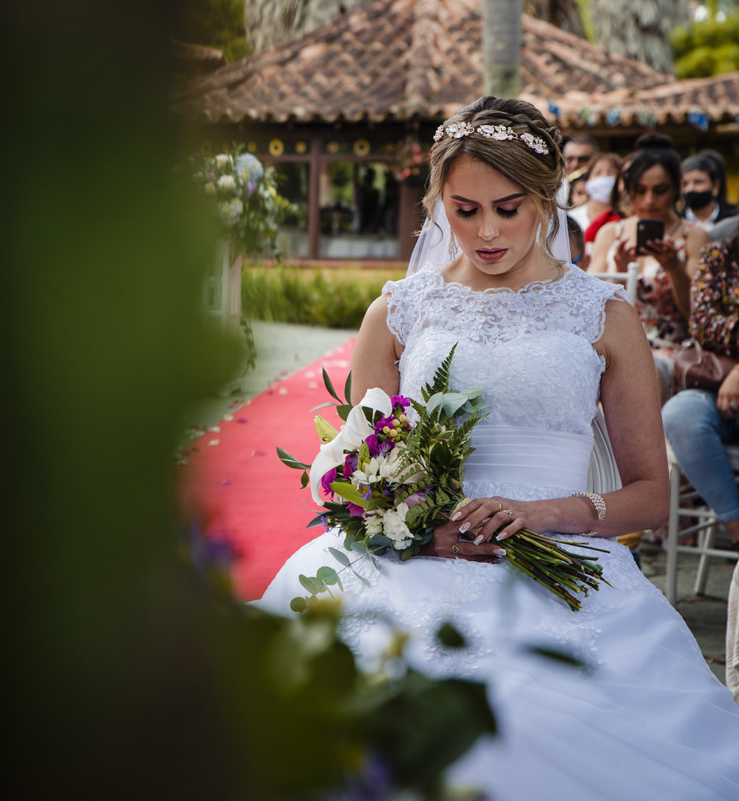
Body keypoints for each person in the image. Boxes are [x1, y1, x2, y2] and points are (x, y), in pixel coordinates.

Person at [255, 96, 739, 800]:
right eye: (464, 208)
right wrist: (420, 530)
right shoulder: (397, 311)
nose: (485, 231)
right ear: (436, 202)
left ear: (548, 199)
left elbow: (649, 494)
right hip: (416, 556)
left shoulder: (603, 314)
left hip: (562, 560)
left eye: (508, 208)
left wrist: (540, 514)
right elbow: (353, 470)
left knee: (537, 725)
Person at [592, 133, 711, 400]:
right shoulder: (610, 233)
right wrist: (621, 277)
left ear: (676, 189)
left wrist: (676, 270)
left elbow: (697, 316)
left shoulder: (693, 236)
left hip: (668, 352)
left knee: (644, 370)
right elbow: (589, 308)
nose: (648, 201)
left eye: (660, 191)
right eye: (640, 191)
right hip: (612, 346)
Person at [662, 230, 739, 550]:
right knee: (680, 413)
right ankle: (737, 530)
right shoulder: (720, 256)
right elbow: (704, 324)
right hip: (716, 387)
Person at [684, 150, 738, 228]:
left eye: (698, 182)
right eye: (685, 183)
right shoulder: (675, 223)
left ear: (716, 185)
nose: (690, 188)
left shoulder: (733, 222)